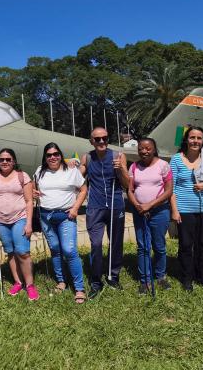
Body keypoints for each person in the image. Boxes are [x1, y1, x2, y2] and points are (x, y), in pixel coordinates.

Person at [34, 143, 88, 304]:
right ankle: (61, 281)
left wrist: (75, 208)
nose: (53, 157)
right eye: (49, 155)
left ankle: (79, 288)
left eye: (56, 154)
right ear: (45, 157)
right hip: (45, 216)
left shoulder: (71, 171)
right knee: (55, 249)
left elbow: (83, 190)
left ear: (60, 155)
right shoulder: (39, 171)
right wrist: (33, 193)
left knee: (69, 250)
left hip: (66, 216)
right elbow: (33, 189)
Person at [79, 127, 129, 299]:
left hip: (116, 205)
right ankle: (96, 281)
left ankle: (113, 276)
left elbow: (127, 184)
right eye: (97, 139)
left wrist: (121, 169)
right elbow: (76, 180)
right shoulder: (87, 157)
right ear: (91, 141)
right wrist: (71, 167)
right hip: (95, 207)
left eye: (105, 138)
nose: (102, 141)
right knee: (96, 244)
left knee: (116, 243)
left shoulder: (118, 156)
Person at [170, 126, 203, 292]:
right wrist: (174, 210)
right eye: (192, 137)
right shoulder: (176, 159)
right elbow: (171, 188)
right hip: (184, 209)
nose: (195, 141)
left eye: (199, 138)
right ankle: (187, 278)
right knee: (186, 245)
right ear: (186, 139)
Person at [0, 148, 38, 300]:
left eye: (8, 159)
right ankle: (18, 282)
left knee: (22, 252)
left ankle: (30, 285)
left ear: (14, 161)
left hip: (20, 219)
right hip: (1, 222)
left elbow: (29, 201)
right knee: (10, 252)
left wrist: (29, 223)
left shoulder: (22, 176)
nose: (5, 162)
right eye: (2, 159)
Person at [127, 138, 173, 294]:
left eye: (148, 148)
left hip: (159, 211)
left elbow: (169, 191)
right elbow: (130, 190)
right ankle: (144, 280)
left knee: (159, 246)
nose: (144, 151)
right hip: (140, 212)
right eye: (141, 148)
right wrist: (137, 205)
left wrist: (150, 205)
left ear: (154, 149)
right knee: (143, 247)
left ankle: (160, 276)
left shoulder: (163, 165)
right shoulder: (134, 167)